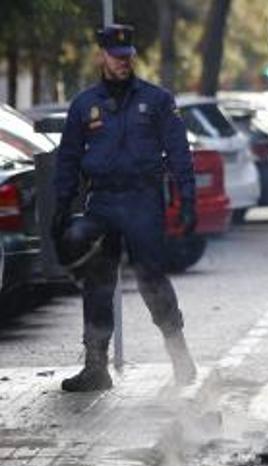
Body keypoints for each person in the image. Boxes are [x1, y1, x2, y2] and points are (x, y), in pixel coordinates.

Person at [53, 24, 197, 392]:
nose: (123, 62)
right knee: (97, 283)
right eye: (116, 57)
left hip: (143, 201)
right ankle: (95, 367)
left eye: (128, 56)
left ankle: (181, 358)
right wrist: (61, 203)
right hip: (101, 202)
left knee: (152, 279)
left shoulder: (158, 100)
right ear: (102, 55)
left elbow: (179, 153)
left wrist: (187, 200)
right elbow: (68, 157)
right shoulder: (84, 104)